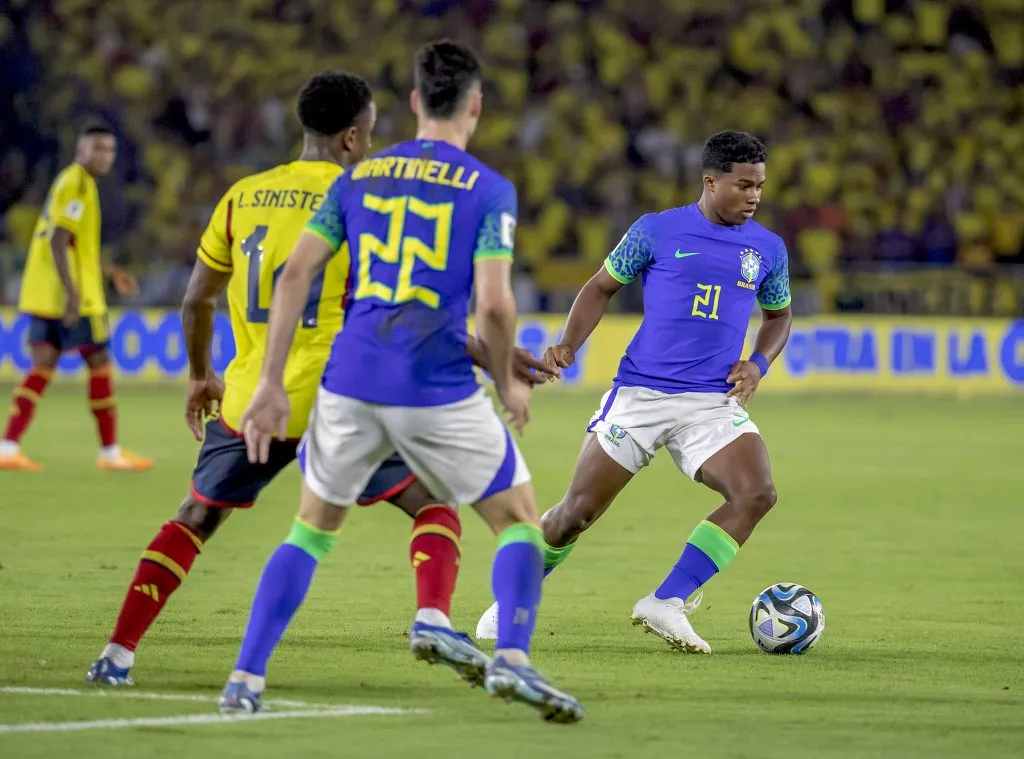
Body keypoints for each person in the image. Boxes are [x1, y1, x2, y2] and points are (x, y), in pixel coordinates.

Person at [85, 71, 544, 687]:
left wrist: (201, 375)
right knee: (434, 503)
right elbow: (391, 309)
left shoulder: (243, 194)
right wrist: (489, 355)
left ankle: (118, 654)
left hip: (254, 396)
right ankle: (432, 616)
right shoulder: (363, 193)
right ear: (354, 137)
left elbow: (197, 299)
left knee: (195, 516)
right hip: (345, 393)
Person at [220, 40, 584, 724]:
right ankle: (511, 658)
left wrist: (270, 381)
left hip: (349, 380)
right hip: (434, 386)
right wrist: (508, 378)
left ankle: (245, 676)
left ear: (415, 102)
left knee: (310, 531)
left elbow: (295, 273)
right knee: (519, 520)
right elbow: (497, 304)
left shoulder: (356, 179)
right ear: (475, 105)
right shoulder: (487, 188)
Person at [476, 130, 793, 655]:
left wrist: (758, 363)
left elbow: (779, 316)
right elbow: (601, 286)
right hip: (641, 396)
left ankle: (667, 602)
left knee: (757, 493)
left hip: (711, 403)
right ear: (710, 182)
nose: (754, 196)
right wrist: (568, 344)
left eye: (759, 186)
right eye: (743, 185)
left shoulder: (767, 249)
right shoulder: (655, 231)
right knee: (575, 513)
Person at [0, 123, 152, 472]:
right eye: (96, 148)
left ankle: (8, 447)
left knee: (42, 366)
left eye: (109, 150)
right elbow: (58, 238)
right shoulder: (78, 183)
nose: (104, 156)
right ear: (80, 149)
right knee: (100, 364)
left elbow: (71, 243)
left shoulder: (69, 182)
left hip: (43, 291)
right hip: (74, 296)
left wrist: (112, 272)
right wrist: (72, 294)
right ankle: (110, 453)